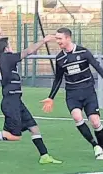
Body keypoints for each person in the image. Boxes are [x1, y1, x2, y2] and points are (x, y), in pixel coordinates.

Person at [0, 27, 62, 164]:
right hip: (11, 102)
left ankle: (44, 156)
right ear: (6, 49)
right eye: (9, 45)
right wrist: (44, 40)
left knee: (34, 127)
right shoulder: (8, 58)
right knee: (14, 136)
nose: (11, 47)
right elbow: (28, 51)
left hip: (16, 101)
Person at [41, 27, 103, 160]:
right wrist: (50, 97)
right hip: (72, 93)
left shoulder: (83, 52)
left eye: (60, 38)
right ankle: (95, 146)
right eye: (56, 38)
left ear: (68, 38)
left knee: (95, 121)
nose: (57, 41)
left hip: (88, 91)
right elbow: (58, 79)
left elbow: (97, 67)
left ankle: (101, 147)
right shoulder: (60, 59)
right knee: (76, 116)